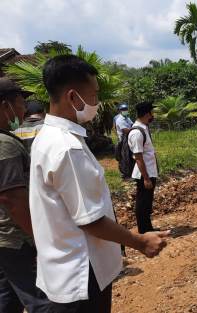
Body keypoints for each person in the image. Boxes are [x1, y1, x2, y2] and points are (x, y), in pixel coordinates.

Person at [29, 55, 169, 312]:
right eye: (93, 95)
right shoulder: (67, 148)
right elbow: (90, 220)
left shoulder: (47, 137)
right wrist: (139, 241)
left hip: (62, 272)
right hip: (82, 276)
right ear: (73, 97)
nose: (97, 103)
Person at [0, 78, 51, 312]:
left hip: (5, 238)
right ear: (5, 106)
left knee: (7, 299)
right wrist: (38, 238)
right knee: (41, 300)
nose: (23, 109)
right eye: (20, 102)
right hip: (16, 238)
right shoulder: (5, 145)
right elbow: (12, 198)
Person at [128, 101, 159, 234]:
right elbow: (138, 157)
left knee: (147, 202)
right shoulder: (137, 133)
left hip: (149, 171)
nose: (153, 115)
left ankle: (148, 228)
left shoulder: (144, 128)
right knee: (142, 202)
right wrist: (146, 178)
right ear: (147, 113)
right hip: (143, 173)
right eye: (152, 112)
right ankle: (143, 230)